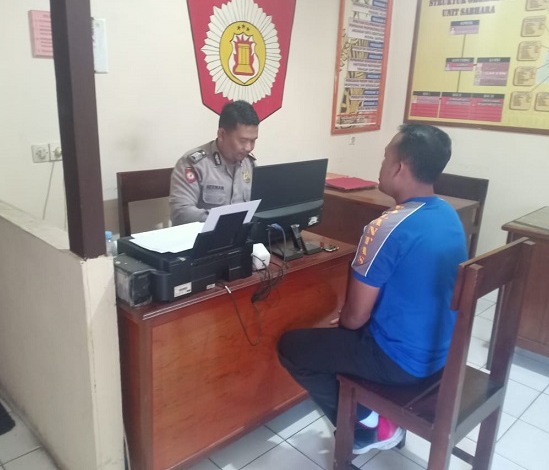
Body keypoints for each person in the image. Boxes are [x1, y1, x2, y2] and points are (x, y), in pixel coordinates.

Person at [277, 124, 468, 455]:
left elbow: (354, 318)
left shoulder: (386, 227)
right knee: (340, 335)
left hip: (401, 362)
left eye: (384, 157)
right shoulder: (448, 216)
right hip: (442, 354)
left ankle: (368, 424)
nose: (381, 164)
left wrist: (347, 318)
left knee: (293, 347)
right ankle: (370, 416)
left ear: (399, 167)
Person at [169, 100, 260, 226]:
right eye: (243, 140)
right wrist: (227, 220)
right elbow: (181, 214)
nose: (249, 147)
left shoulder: (249, 164)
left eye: (253, 141)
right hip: (205, 236)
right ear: (222, 134)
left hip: (243, 235)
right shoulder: (194, 164)